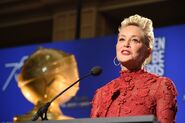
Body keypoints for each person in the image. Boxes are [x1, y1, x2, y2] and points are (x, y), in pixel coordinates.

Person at [90, 14, 178, 123]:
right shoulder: (101, 93)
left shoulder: (160, 86)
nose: (126, 44)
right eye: (122, 39)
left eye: (135, 40)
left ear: (147, 52)